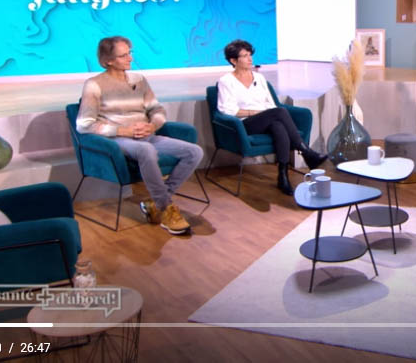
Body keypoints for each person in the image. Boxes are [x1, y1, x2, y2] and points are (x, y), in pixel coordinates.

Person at [76, 36, 203, 235]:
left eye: (130, 53)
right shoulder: (94, 84)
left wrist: (152, 126)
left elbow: (157, 109)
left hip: (146, 135)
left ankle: (156, 202)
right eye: (123, 55)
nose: (130, 58)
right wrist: (122, 131)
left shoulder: (139, 80)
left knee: (194, 152)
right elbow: (84, 124)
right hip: (118, 139)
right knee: (146, 150)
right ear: (108, 60)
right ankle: (166, 209)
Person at [217, 39, 328, 195]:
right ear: (233, 61)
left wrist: (265, 114)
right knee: (279, 113)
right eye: (245, 56)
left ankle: (283, 176)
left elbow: (270, 104)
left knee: (278, 126)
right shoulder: (226, 81)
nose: (250, 59)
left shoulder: (259, 78)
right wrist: (254, 113)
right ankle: (306, 151)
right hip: (244, 124)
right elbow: (226, 110)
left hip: (266, 119)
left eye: (250, 55)